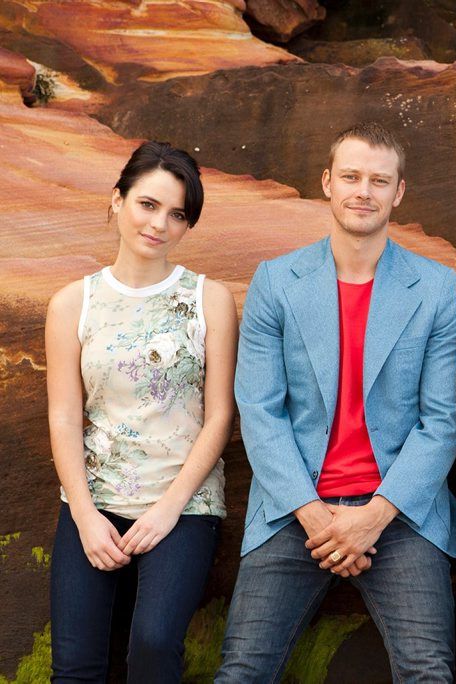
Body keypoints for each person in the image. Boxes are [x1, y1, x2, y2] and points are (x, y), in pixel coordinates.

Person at [217, 122, 456, 682]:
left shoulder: (436, 288)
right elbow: (259, 408)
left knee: (429, 671)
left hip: (400, 509)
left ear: (398, 192)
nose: (364, 191)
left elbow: (443, 420)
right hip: (292, 505)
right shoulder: (277, 281)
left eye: (379, 180)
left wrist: (373, 518)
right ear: (327, 183)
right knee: (241, 671)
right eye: (351, 177)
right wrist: (315, 516)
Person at [45, 141, 238, 682]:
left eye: (178, 214)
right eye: (148, 205)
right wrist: (84, 515)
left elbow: (219, 415)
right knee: (76, 664)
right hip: (95, 497)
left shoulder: (209, 299)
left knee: (153, 647)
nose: (160, 224)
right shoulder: (71, 303)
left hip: (184, 503)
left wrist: (169, 509)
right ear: (117, 200)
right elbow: (64, 417)